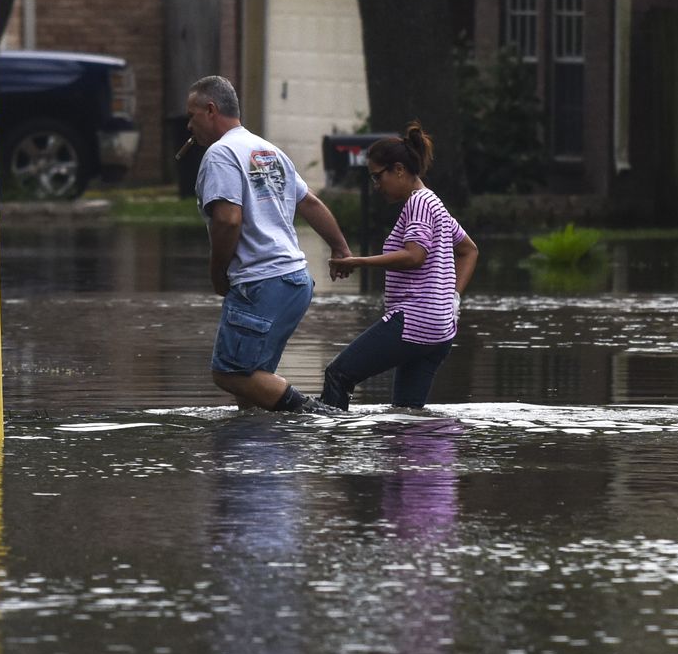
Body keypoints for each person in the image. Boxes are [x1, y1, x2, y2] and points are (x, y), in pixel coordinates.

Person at [185, 75, 351, 414]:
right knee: (253, 384)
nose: (189, 125)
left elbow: (228, 220)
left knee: (229, 372)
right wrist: (340, 249)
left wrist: (217, 272)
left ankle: (317, 415)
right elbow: (310, 203)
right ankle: (255, 460)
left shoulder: (220, 154)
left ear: (210, 110)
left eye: (192, 115)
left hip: (260, 283)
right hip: (295, 282)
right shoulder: (267, 151)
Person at [322, 122, 478, 410]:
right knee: (406, 412)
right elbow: (469, 250)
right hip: (440, 328)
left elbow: (414, 255)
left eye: (377, 177)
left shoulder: (417, 203)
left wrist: (358, 261)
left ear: (399, 169)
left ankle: (332, 448)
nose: (376, 185)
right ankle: (422, 455)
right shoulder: (435, 204)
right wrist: (452, 298)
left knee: (338, 374)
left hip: (414, 321)